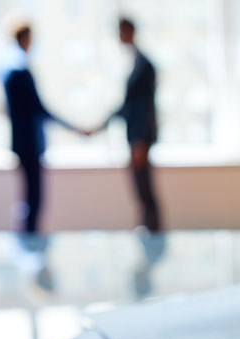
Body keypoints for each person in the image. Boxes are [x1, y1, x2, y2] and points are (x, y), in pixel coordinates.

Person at [0, 24, 78, 234]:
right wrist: (74, 128)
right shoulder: (19, 72)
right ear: (25, 39)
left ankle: (30, 239)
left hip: (25, 144)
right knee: (33, 199)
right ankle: (30, 242)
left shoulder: (11, 71)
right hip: (29, 144)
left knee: (31, 199)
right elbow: (39, 109)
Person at [91, 17, 162, 231]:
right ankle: (147, 228)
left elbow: (142, 107)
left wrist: (140, 140)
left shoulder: (144, 65)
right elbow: (127, 105)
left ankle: (153, 232)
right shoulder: (135, 63)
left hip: (140, 137)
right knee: (140, 188)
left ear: (129, 32)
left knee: (144, 188)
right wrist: (101, 126)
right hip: (134, 135)